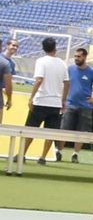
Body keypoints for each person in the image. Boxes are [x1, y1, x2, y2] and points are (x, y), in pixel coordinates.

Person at [25, 37, 70, 165]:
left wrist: (31, 97)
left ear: (43, 48)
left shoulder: (41, 61)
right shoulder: (62, 63)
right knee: (50, 132)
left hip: (41, 101)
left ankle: (22, 153)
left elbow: (39, 80)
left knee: (30, 129)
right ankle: (43, 157)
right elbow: (67, 83)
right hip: (55, 103)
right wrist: (63, 100)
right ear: (55, 47)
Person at [59, 47, 93, 163]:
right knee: (64, 129)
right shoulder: (70, 69)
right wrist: (63, 100)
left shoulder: (92, 72)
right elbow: (65, 84)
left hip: (85, 106)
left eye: (78, 56)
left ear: (84, 57)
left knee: (81, 131)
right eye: (75, 56)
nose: (76, 59)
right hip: (70, 104)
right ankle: (59, 151)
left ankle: (75, 154)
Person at [1, 39, 17, 112]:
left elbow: (9, 81)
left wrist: (9, 97)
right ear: (7, 45)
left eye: (17, 46)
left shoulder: (12, 64)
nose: (15, 48)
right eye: (13, 45)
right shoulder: (1, 58)